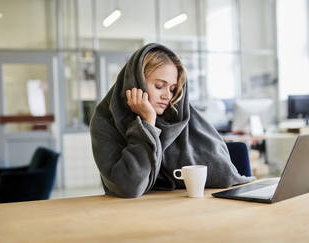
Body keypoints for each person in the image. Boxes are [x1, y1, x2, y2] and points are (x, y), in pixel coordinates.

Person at [90, 43, 255, 198]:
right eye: (159, 86)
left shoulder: (179, 115)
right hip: (130, 215)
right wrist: (147, 123)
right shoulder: (105, 121)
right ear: (136, 82)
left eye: (172, 89)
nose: (167, 96)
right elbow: (129, 186)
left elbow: (223, 174)